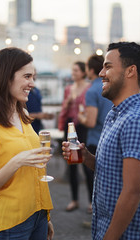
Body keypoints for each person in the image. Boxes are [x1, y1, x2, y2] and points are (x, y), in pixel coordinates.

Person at [62, 42, 140, 240]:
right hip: (104, 228)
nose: (100, 73)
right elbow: (111, 171)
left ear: (130, 71)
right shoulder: (115, 114)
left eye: (108, 66)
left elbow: (133, 191)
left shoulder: (136, 120)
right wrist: (86, 157)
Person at [0, 47, 54, 239]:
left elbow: (33, 172)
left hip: (38, 214)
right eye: (27, 76)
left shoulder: (23, 114)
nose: (32, 83)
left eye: (33, 77)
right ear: (6, 77)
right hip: (11, 223)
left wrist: (45, 217)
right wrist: (17, 161)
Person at [77, 54, 113, 214]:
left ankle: (95, 208)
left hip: (95, 140)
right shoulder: (110, 87)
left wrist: (81, 117)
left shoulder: (92, 90)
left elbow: (90, 122)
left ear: (91, 70)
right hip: (111, 139)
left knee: (94, 177)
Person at [58, 61, 91, 212]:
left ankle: (91, 201)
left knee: (86, 164)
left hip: (82, 127)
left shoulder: (88, 88)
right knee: (71, 163)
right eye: (73, 70)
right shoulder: (68, 89)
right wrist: (69, 102)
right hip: (70, 127)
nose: (74, 73)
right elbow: (63, 109)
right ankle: (74, 199)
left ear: (83, 72)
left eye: (76, 70)